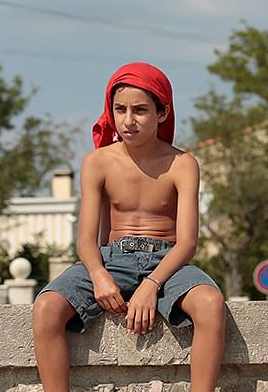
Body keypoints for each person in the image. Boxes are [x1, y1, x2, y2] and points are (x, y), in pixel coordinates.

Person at [33, 62, 225, 392]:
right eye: (120, 109)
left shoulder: (182, 164)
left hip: (168, 263)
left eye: (140, 110)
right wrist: (98, 276)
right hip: (111, 259)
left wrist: (151, 284)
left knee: (210, 303)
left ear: (162, 113)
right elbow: (86, 240)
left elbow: (187, 243)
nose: (128, 120)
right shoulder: (97, 162)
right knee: (46, 307)